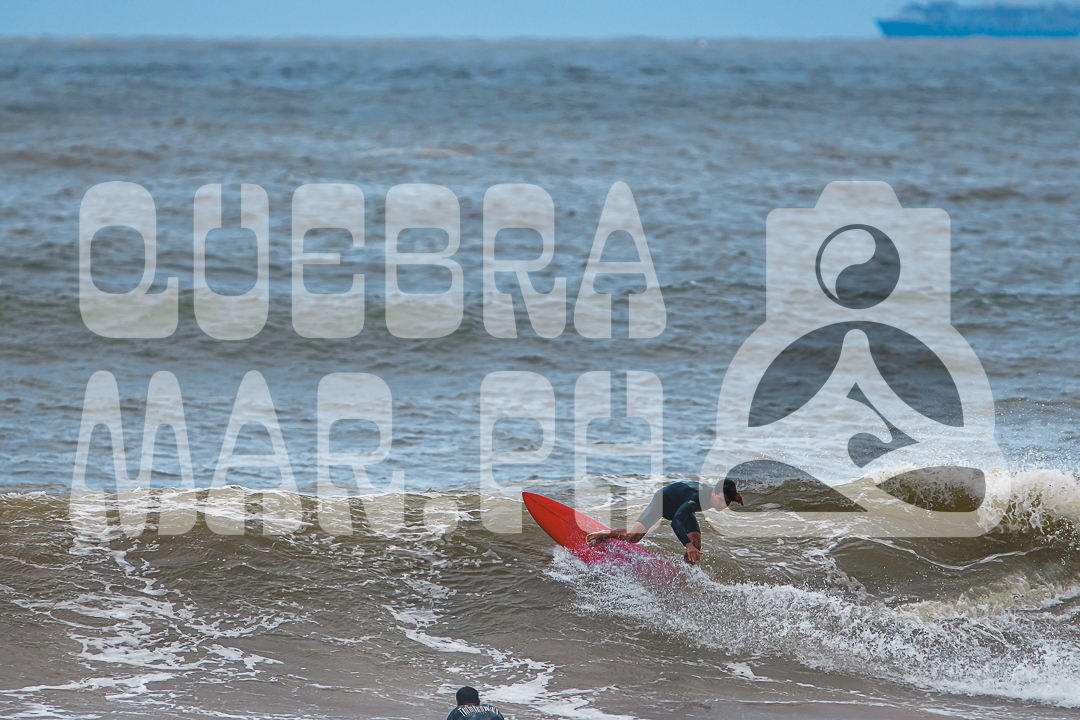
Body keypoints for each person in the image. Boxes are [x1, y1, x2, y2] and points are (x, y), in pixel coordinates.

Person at [585, 479, 743, 564]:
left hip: (681, 506)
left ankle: (685, 573)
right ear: (714, 492)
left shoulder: (715, 494)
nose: (723, 505)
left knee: (696, 546)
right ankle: (606, 534)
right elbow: (676, 522)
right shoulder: (695, 499)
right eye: (721, 500)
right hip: (663, 503)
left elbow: (729, 493)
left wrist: (736, 497)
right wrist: (687, 545)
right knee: (633, 537)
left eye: (727, 502)